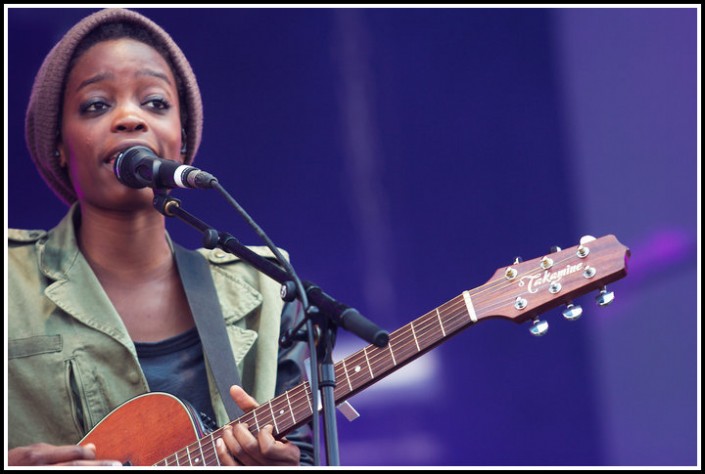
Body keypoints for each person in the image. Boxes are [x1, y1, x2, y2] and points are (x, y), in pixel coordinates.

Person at [7, 8, 314, 466]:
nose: (130, 117)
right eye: (96, 104)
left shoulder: (268, 289)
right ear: (58, 144)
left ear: (182, 142)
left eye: (154, 103)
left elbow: (301, 455)